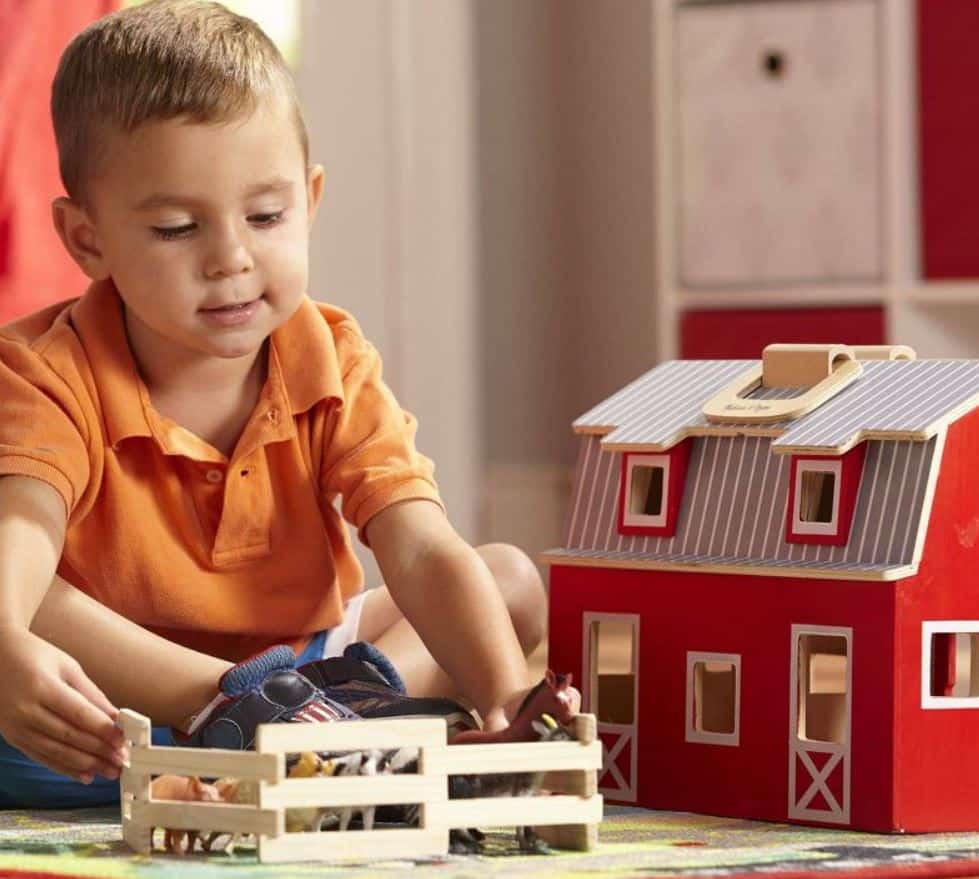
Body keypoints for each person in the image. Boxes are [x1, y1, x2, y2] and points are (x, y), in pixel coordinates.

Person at [0, 0, 550, 809]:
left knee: (506, 580)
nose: (231, 259)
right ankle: (273, 721)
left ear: (310, 198)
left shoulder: (328, 355)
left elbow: (421, 547)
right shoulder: (46, 370)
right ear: (87, 239)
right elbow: (22, 533)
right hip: (122, 684)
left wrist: (511, 711)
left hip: (306, 664)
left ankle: (326, 718)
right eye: (178, 228)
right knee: (25, 595)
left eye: (265, 216)